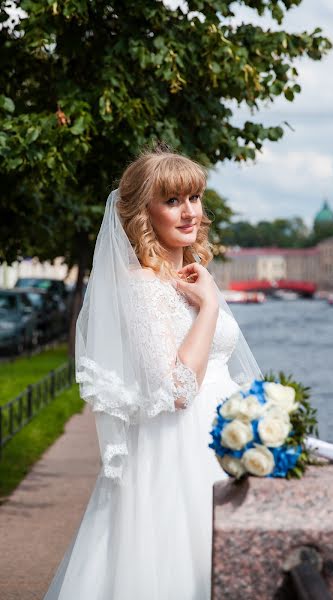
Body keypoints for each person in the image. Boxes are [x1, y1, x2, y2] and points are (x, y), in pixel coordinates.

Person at [43, 143, 262, 600]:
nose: (189, 213)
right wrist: (208, 310)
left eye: (194, 198)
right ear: (144, 213)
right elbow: (177, 389)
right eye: (172, 201)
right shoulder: (141, 287)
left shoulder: (197, 275)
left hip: (224, 438)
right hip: (175, 450)